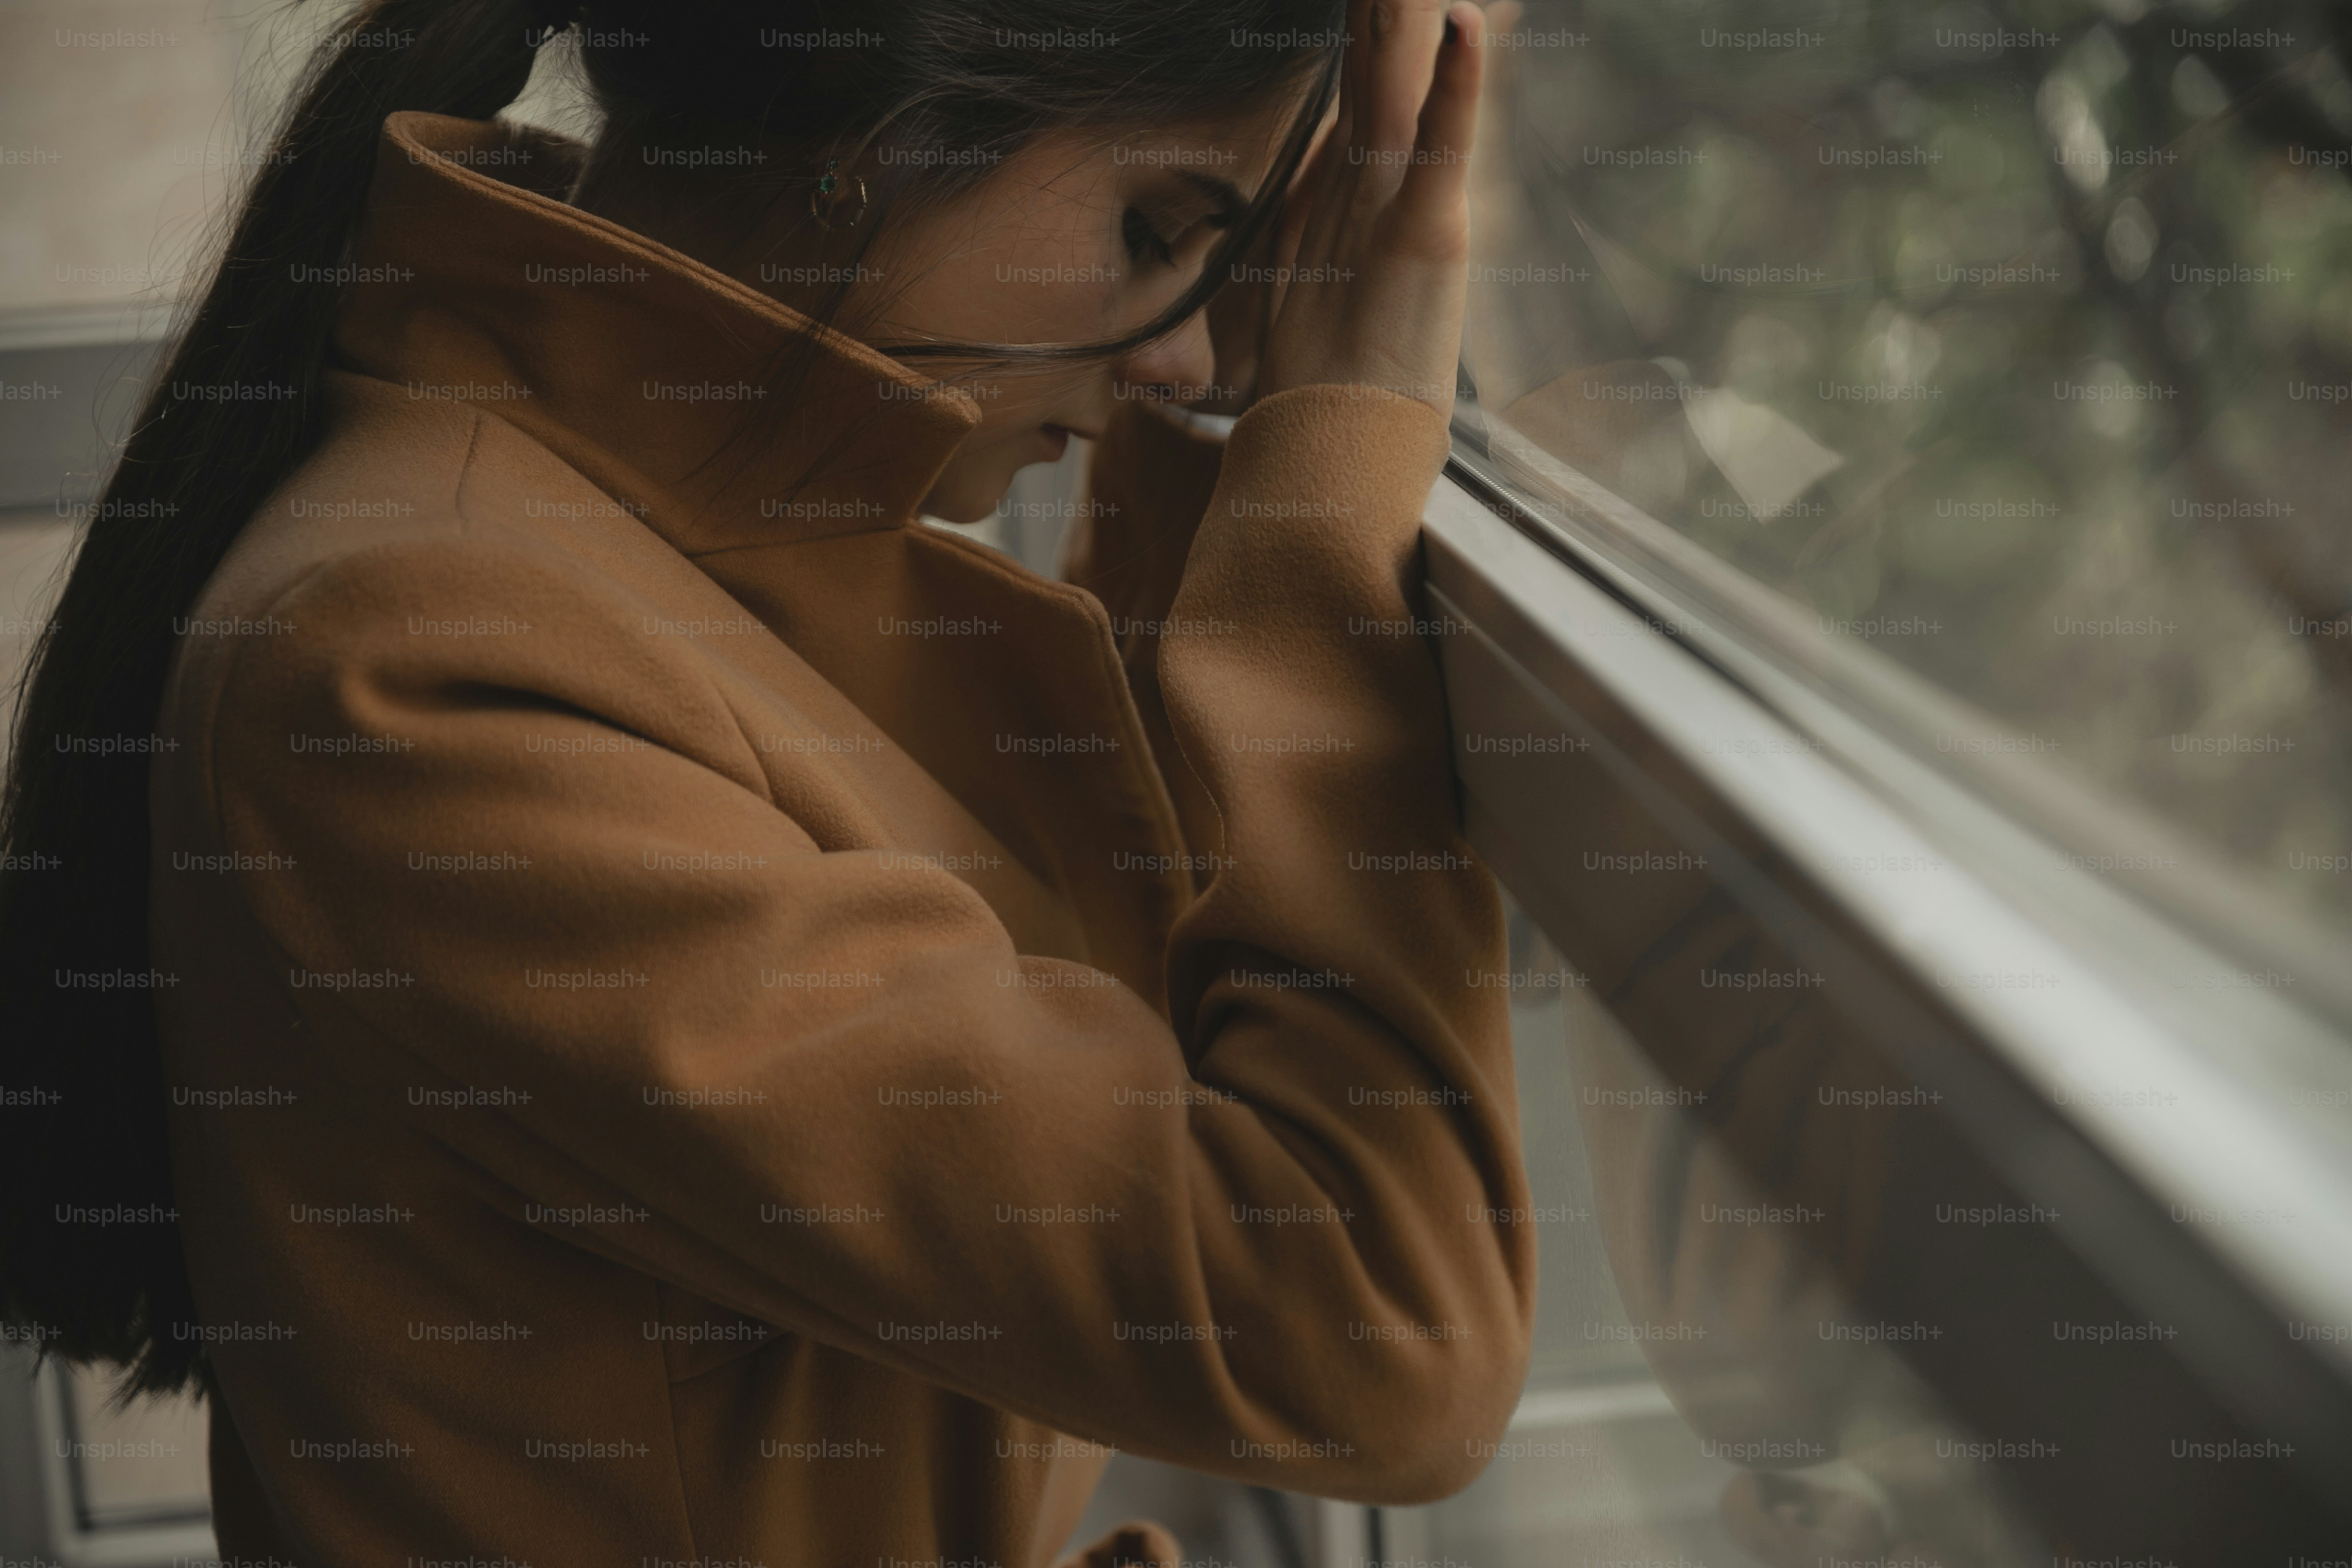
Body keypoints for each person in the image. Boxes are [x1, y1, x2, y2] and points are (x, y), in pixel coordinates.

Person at [0, 0, 1536, 1560]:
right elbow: (1362, 1327)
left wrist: (1234, 445)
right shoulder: (423, 683)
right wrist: (1325, 486)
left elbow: (1095, 1033)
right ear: (869, 139)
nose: (1182, 350)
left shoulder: (609, 542)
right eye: (1154, 231)